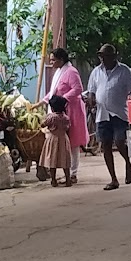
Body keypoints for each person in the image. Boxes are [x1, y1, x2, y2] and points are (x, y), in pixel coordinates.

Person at [86, 43, 131, 190]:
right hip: (102, 114)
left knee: (119, 140)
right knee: (106, 145)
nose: (104, 59)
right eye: (102, 56)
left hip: (119, 114)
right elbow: (91, 91)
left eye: (107, 56)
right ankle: (113, 179)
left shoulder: (124, 71)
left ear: (114, 57)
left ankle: (128, 163)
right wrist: (91, 100)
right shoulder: (96, 72)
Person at [41, 47, 88, 182]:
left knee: (73, 142)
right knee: (65, 143)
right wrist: (41, 103)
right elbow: (53, 93)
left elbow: (78, 88)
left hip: (72, 110)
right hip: (61, 109)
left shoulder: (71, 72)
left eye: (53, 60)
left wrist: (64, 99)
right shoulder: (60, 72)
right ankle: (67, 172)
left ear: (61, 60)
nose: (51, 63)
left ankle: (73, 173)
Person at [42, 94, 72, 187]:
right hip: (63, 139)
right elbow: (68, 127)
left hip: (53, 139)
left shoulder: (51, 117)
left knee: (52, 160)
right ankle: (68, 180)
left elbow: (43, 124)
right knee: (65, 160)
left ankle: (53, 180)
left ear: (52, 108)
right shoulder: (66, 117)